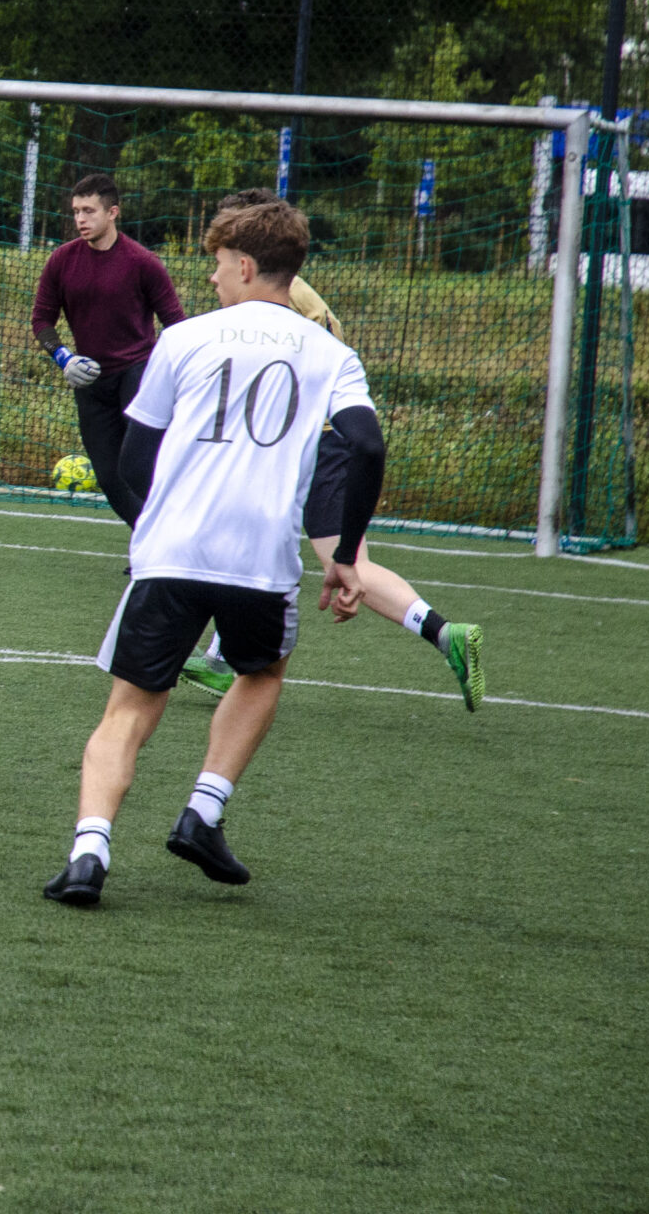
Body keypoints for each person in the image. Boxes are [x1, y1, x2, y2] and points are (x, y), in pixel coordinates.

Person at [46, 199, 387, 908]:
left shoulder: (183, 339)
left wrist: (165, 516)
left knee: (129, 708)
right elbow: (366, 446)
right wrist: (345, 555)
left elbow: (134, 459)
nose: (211, 277)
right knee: (261, 672)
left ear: (248, 266)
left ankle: (88, 854)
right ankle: (203, 811)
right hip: (260, 558)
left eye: (220, 263)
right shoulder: (332, 354)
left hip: (172, 552)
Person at [181, 188, 483, 710]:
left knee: (342, 561)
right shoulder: (287, 289)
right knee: (262, 534)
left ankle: (444, 633)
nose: (217, 267)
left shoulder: (280, 297)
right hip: (312, 437)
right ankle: (222, 655)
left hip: (318, 441)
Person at [31, 174, 188, 529]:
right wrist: (63, 357)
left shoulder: (143, 262)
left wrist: (169, 375)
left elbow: (176, 325)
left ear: (113, 212)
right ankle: (150, 537)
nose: (80, 219)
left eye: (89, 211)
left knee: (139, 466)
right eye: (76, 211)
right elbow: (41, 319)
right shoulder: (61, 261)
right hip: (89, 379)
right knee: (109, 476)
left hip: (138, 374)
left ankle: (171, 537)